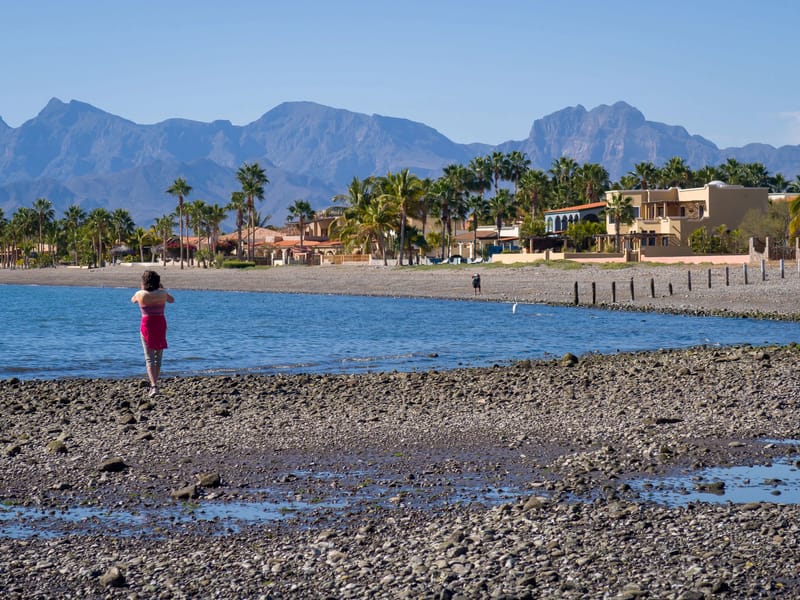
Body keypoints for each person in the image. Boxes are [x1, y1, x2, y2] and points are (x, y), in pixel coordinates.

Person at [131, 270, 174, 397]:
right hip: (160, 324)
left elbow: (132, 300)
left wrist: (142, 288)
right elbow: (172, 300)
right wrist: (162, 288)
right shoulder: (163, 293)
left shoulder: (140, 294)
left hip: (147, 324)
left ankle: (153, 386)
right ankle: (155, 384)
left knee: (149, 357)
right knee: (158, 357)